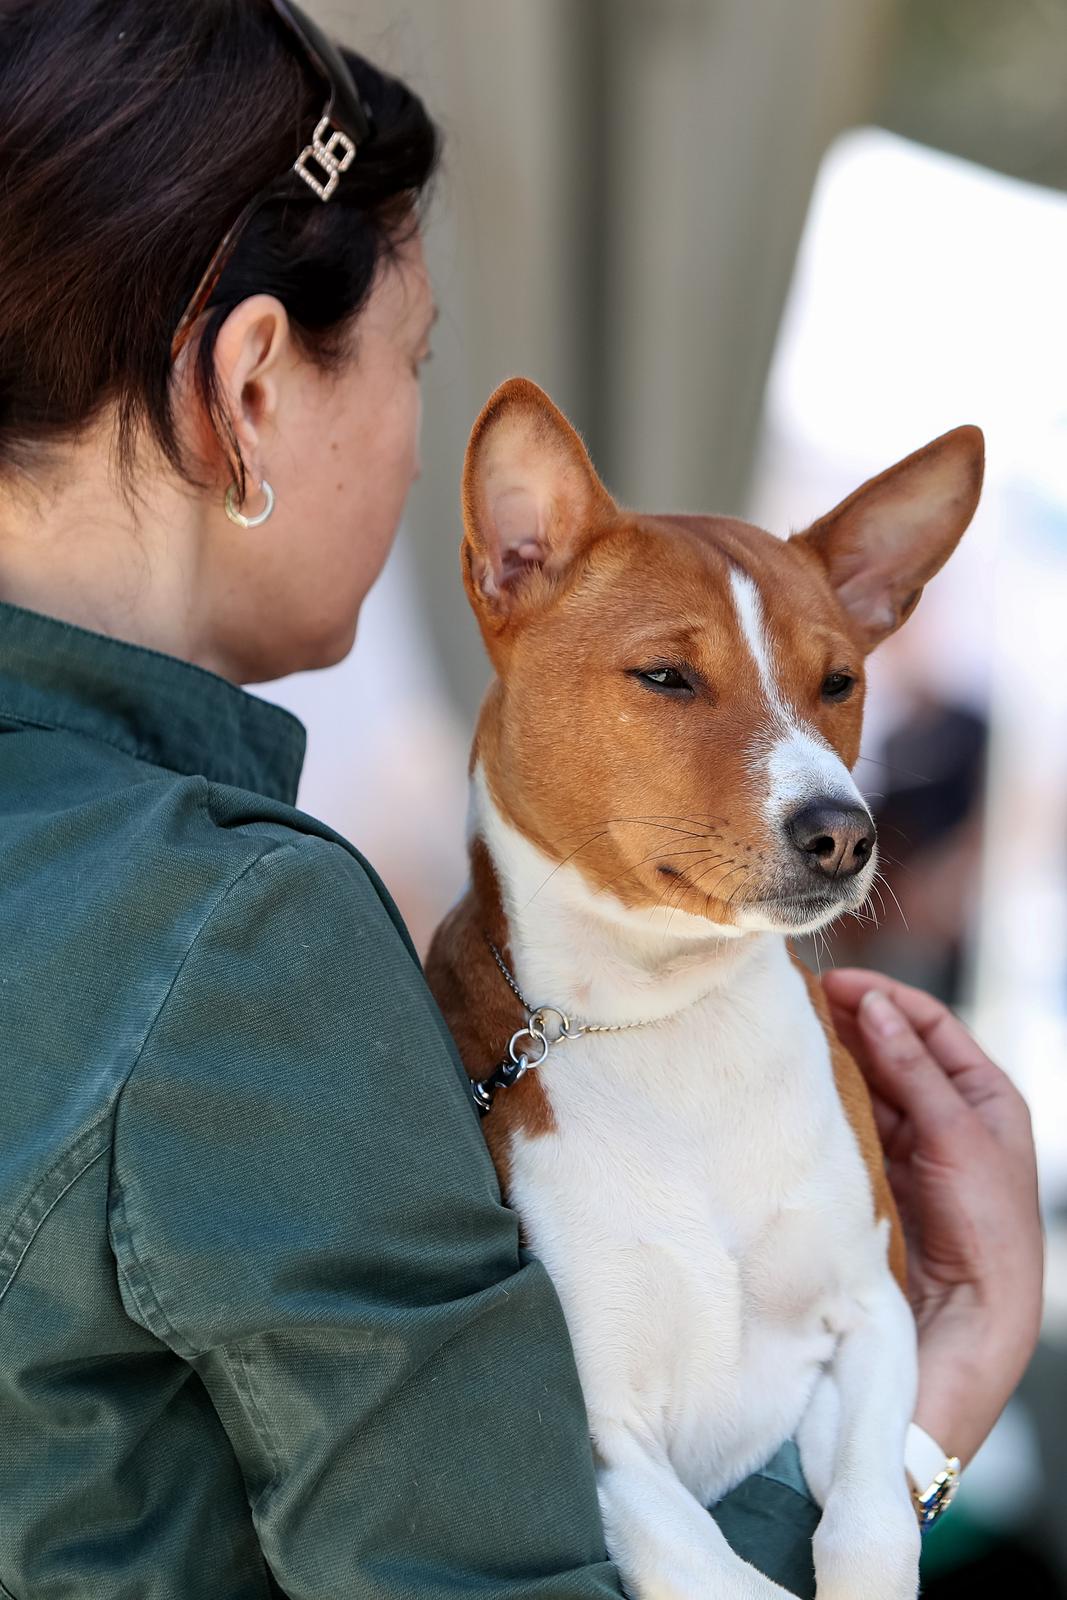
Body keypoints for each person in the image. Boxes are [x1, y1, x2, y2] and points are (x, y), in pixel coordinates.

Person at [0, 2, 1043, 1596]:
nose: (428, 456)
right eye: (414, 366)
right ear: (257, 386)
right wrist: (945, 1379)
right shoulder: (236, 932)